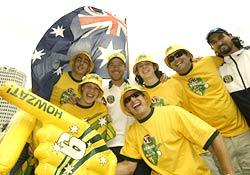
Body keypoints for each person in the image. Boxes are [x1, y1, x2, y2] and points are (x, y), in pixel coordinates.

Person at [164, 44, 250, 174]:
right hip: (217, 140)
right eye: (171, 59)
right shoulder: (173, 82)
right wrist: (161, 77)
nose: (176, 59)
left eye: (179, 54)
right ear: (170, 66)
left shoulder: (209, 61)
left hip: (242, 130)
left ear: (189, 56)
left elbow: (231, 58)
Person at [116, 84, 234, 175]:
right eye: (127, 100)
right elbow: (129, 166)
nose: (132, 100)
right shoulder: (132, 131)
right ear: (127, 109)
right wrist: (99, 170)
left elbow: (214, 137)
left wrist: (229, 173)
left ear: (146, 98)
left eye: (136, 95)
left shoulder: (172, 113)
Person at [133, 54, 221, 174]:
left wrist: (194, 62)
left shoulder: (174, 82)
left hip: (193, 150)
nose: (144, 68)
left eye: (147, 64)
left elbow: (190, 109)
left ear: (154, 67)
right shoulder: (139, 96)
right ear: (137, 73)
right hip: (167, 159)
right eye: (140, 66)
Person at [103, 53, 151, 175]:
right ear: (107, 69)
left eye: (119, 64)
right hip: (112, 145)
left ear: (125, 68)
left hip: (137, 143)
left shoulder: (136, 87)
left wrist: (163, 76)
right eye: (112, 65)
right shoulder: (101, 91)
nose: (116, 68)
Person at [206, 28, 250, 126]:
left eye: (221, 37)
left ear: (230, 36)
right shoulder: (219, 69)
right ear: (212, 48)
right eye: (213, 42)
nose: (219, 42)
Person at [61, 73, 116, 142]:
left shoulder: (102, 109)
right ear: (82, 88)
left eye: (96, 88)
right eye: (88, 86)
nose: (92, 91)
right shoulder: (66, 107)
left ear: (99, 92)